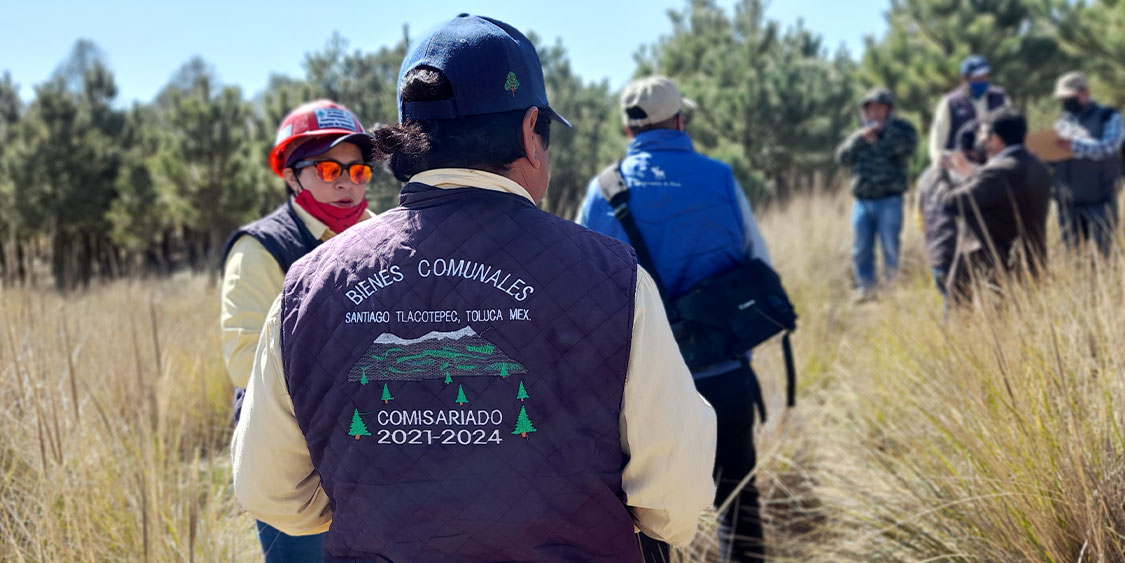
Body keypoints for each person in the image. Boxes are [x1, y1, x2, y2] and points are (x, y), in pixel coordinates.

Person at [231, 14, 717, 563]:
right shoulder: (613, 277)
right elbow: (675, 496)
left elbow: (269, 491)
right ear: (532, 133)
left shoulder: (308, 287)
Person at [578, 75, 772, 562]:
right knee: (738, 504)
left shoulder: (603, 192)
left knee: (645, 521)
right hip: (725, 373)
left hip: (642, 394)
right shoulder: (722, 178)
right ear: (680, 120)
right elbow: (761, 266)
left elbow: (579, 291)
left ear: (629, 130)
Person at [219, 99, 376, 562]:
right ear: (291, 175)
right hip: (292, 462)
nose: (348, 182)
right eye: (330, 170)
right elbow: (244, 359)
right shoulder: (261, 248)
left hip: (372, 451)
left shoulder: (383, 236)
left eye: (359, 171)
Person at [941, 107, 1051, 305]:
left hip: (993, 263)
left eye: (982, 133)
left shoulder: (999, 171)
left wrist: (942, 175)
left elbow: (951, 203)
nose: (979, 139)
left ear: (996, 139)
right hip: (1031, 261)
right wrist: (973, 176)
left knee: (961, 315)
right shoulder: (1037, 164)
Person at [835, 87, 918, 301]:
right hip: (863, 202)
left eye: (880, 108)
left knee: (890, 246)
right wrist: (859, 138)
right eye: (870, 109)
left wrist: (883, 131)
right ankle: (867, 288)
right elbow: (842, 158)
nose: (875, 113)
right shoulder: (859, 135)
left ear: (890, 110)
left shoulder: (902, 129)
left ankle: (891, 289)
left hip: (890, 200)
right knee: (861, 248)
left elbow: (906, 149)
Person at [1051, 71, 1124, 256]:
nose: (1066, 103)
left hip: (1099, 200)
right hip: (1068, 203)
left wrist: (1074, 145)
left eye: (1070, 98)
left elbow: (1109, 147)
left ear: (1084, 92)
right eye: (1063, 99)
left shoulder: (1109, 117)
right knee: (1073, 256)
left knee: (1104, 255)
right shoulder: (1063, 123)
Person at [918, 121, 982, 297]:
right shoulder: (974, 174)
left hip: (937, 255)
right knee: (962, 313)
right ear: (976, 150)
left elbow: (920, 216)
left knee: (954, 311)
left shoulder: (927, 174)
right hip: (961, 259)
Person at [929, 54, 1009, 165]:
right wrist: (937, 158)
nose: (982, 80)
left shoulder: (1000, 97)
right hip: (961, 165)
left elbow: (1011, 128)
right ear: (965, 78)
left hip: (996, 160)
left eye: (985, 76)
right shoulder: (950, 102)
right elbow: (938, 135)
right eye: (977, 78)